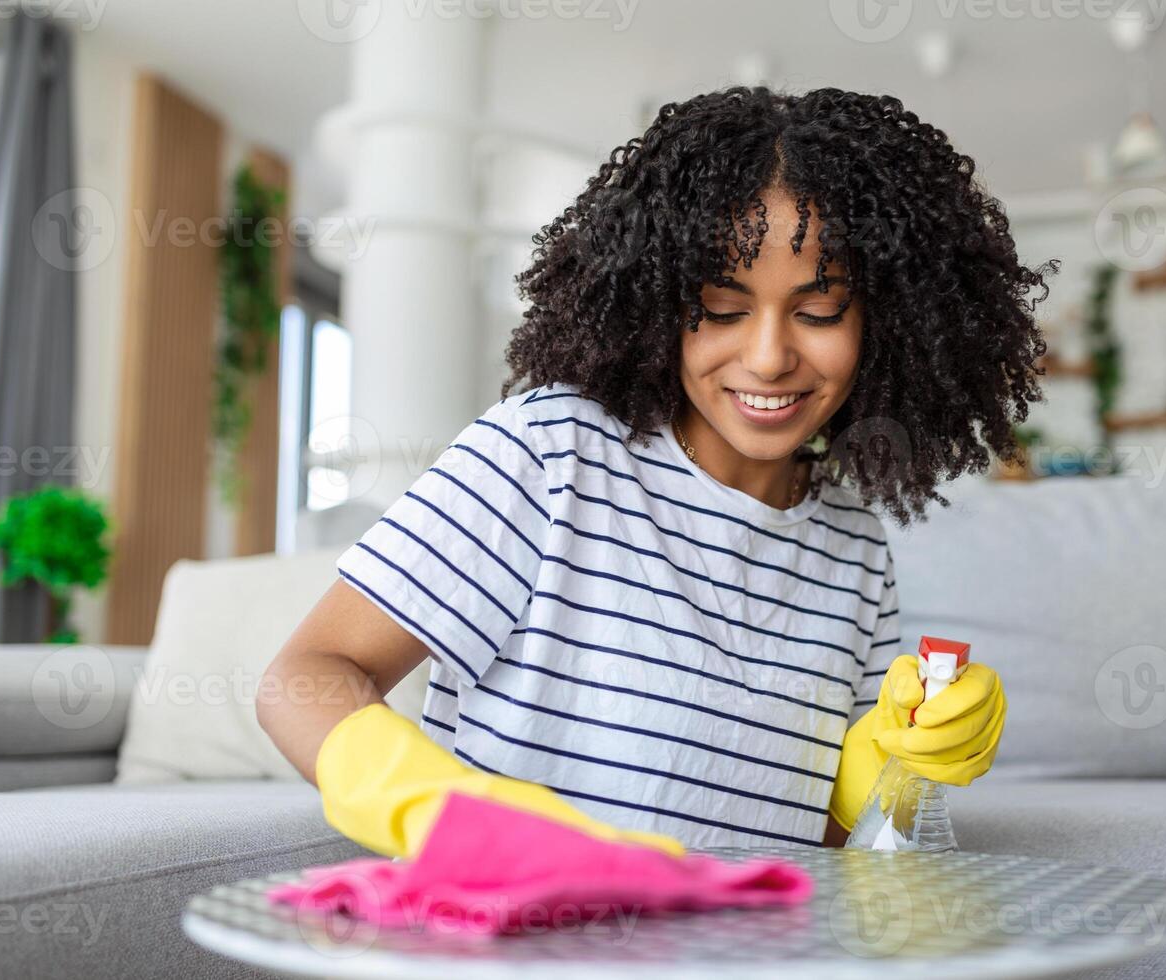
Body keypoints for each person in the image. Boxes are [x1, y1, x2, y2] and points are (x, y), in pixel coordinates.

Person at [258, 86, 1054, 856]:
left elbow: (819, 843)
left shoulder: (855, 548)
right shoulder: (551, 452)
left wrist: (885, 762)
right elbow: (304, 676)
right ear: (656, 304)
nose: (771, 356)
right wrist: (439, 815)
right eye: (721, 307)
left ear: (890, 322)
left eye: (817, 312)